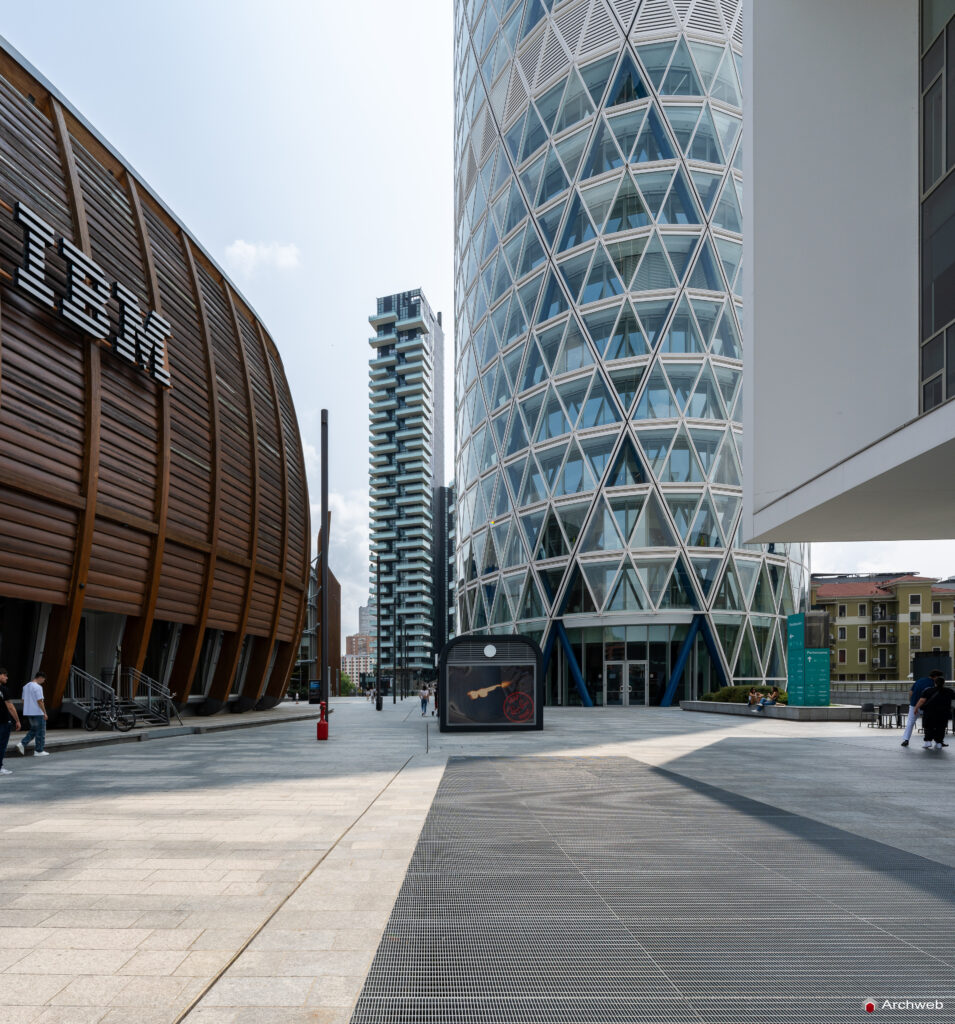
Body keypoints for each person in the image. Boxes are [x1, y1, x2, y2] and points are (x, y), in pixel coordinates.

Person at [914, 674, 955, 750]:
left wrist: (916, 708)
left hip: (930, 712)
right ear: (943, 683)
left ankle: (928, 742)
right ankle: (939, 743)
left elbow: (922, 700)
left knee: (929, 726)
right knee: (941, 727)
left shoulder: (928, 691)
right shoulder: (949, 691)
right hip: (943, 713)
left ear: (935, 683)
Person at [16, 670, 49, 757]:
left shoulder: (25, 686)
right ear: (40, 678)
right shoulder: (38, 687)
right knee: (41, 732)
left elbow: (23, 700)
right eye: (43, 680)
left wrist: (27, 709)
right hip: (38, 712)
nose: (43, 682)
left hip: (29, 712)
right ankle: (39, 750)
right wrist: (45, 713)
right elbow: (40, 701)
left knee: (34, 730)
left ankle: (22, 744)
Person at [901, 671, 939, 747]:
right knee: (931, 723)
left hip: (914, 704)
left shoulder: (919, 680)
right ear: (936, 677)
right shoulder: (933, 684)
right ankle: (936, 741)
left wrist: (911, 701)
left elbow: (911, 692)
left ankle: (906, 740)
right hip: (926, 706)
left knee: (910, 722)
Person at [0, 668, 21, 776]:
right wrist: (17, 720)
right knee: (2, 744)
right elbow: (10, 706)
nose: (6, 678)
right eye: (5, 675)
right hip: (3, 720)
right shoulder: (3, 689)